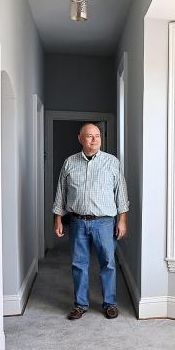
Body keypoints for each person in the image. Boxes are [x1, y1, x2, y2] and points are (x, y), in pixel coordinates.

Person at [52, 123, 129, 320]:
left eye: (97, 136)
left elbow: (121, 194)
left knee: (108, 263)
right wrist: (58, 219)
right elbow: (61, 193)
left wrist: (122, 221)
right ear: (80, 138)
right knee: (79, 264)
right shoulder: (69, 163)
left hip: (104, 222)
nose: (94, 140)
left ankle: (110, 303)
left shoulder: (112, 163)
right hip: (77, 222)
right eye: (89, 136)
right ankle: (80, 304)